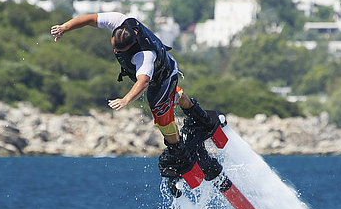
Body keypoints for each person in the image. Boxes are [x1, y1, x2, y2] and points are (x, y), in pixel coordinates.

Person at [50, 12, 218, 184]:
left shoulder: (144, 56)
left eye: (119, 50)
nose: (115, 51)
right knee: (172, 96)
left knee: (161, 113)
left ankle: (179, 153)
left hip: (163, 77)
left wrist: (125, 100)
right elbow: (90, 19)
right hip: (166, 67)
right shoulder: (120, 21)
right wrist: (65, 27)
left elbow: (143, 82)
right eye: (114, 46)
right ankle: (201, 118)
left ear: (131, 45)